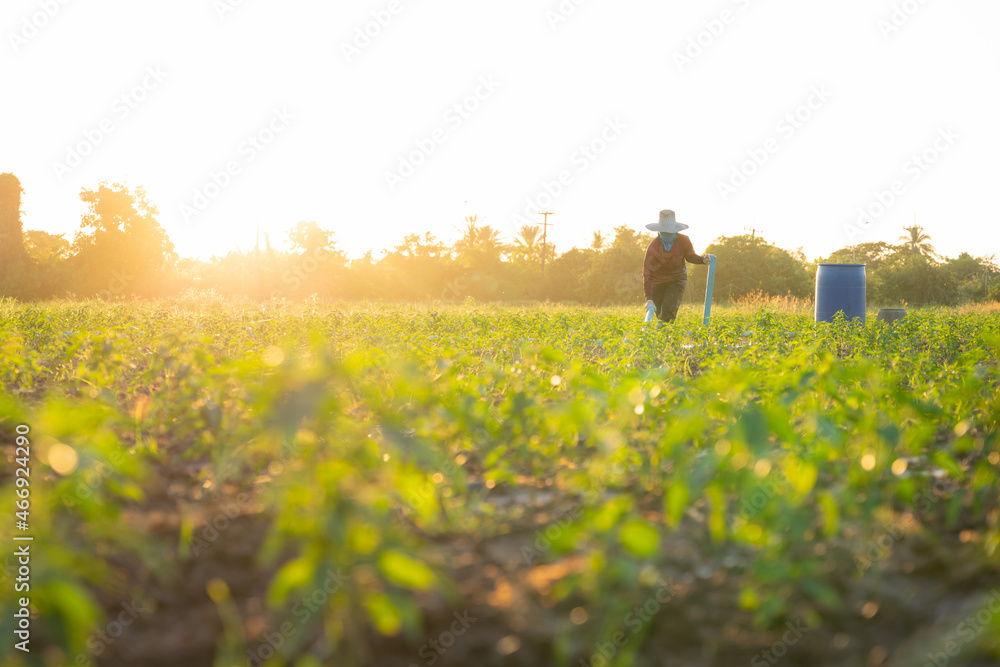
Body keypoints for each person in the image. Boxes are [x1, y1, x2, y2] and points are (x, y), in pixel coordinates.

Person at [642, 210, 714, 323]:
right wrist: (649, 299)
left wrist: (702, 260)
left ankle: (664, 336)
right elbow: (647, 275)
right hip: (657, 283)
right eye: (665, 233)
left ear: (675, 231)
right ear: (659, 232)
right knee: (660, 314)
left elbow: (690, 256)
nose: (667, 235)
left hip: (676, 280)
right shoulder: (653, 247)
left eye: (670, 233)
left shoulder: (684, 241)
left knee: (667, 313)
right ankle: (664, 337)